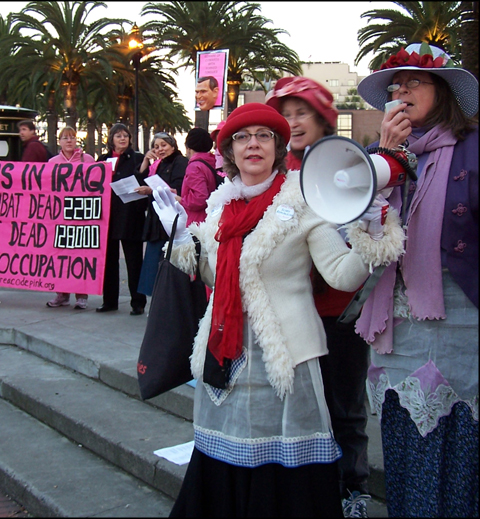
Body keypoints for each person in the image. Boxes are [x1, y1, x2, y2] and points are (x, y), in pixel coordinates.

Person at [150, 103, 404, 517]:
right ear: (230, 152)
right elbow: (215, 274)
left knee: (284, 474)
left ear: (278, 148)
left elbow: (342, 274)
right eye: (242, 137)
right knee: (226, 460)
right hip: (227, 361)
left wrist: (371, 230)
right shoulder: (220, 207)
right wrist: (180, 240)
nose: (253, 144)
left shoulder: (303, 202)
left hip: (286, 362)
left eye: (264, 136)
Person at [355, 43, 478, 518]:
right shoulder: (375, 156)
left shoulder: (472, 146)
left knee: (459, 446)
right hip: (398, 326)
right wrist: (386, 159)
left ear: (441, 91)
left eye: (413, 82)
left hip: (462, 319)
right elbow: (358, 232)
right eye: (395, 86)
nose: (401, 92)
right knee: (407, 441)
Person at [266, 76, 372, 517]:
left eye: (301, 113)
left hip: (339, 312)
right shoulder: (274, 169)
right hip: (292, 312)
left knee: (344, 405)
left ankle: (352, 489)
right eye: (285, 115)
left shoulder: (346, 162)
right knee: (300, 406)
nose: (293, 122)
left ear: (323, 118)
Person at [95, 123, 148, 315]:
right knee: (108, 261)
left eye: (125, 135)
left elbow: (144, 180)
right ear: (111, 139)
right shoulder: (102, 160)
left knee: (134, 261)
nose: (123, 138)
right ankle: (109, 301)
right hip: (107, 216)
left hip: (130, 215)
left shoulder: (138, 158)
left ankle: (138, 302)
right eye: (118, 136)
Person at [46, 127, 95, 310]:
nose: (69, 141)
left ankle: (81, 295)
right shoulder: (52, 162)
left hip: (81, 216)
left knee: (80, 256)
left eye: (72, 137)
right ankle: (62, 293)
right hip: (59, 216)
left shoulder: (87, 160)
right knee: (60, 256)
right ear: (59, 141)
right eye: (65, 138)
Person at [136, 132, 188, 297]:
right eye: (156, 147)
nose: (160, 150)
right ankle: (156, 299)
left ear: (173, 145)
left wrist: (152, 190)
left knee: (167, 264)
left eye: (163, 145)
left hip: (170, 221)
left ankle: (166, 300)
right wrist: (146, 161)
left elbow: (178, 188)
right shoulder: (157, 164)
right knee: (153, 264)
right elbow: (141, 180)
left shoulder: (180, 162)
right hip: (156, 221)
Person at [179, 127, 218, 227]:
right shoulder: (213, 161)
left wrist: (181, 200)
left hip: (197, 222)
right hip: (212, 217)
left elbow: (199, 199)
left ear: (188, 147)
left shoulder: (194, 166)